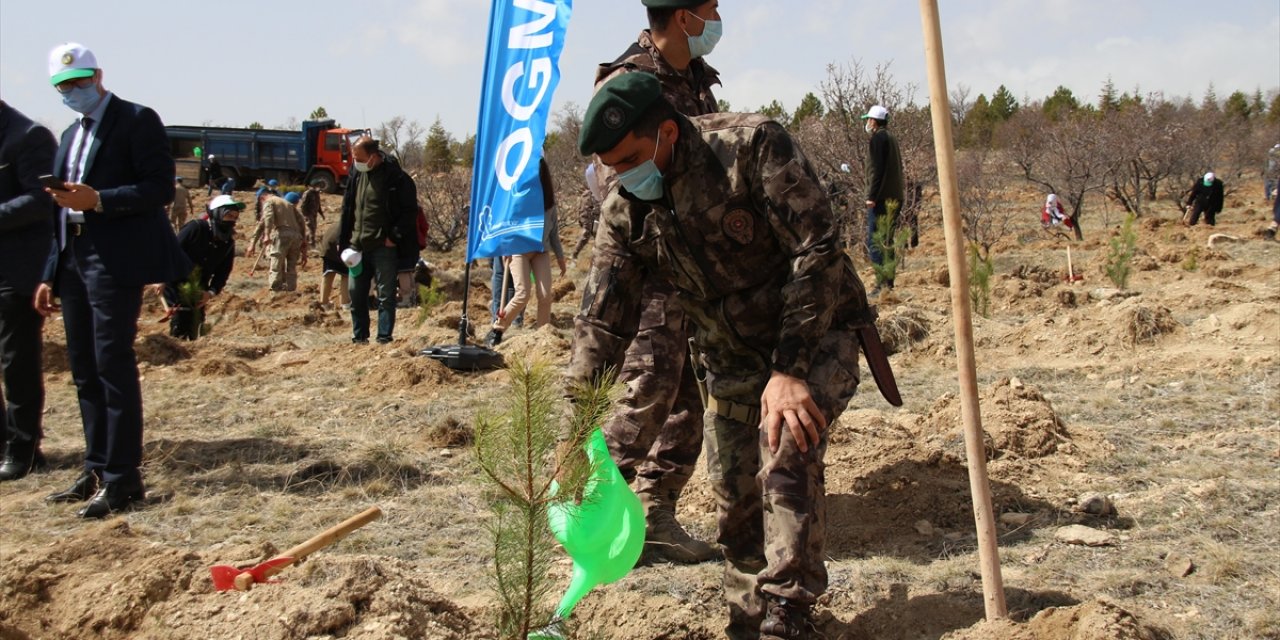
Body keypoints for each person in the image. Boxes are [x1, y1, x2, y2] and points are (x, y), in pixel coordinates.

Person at [573, 73, 882, 640]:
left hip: (815, 332)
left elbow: (818, 249)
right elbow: (603, 320)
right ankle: (749, 622)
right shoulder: (625, 209)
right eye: (610, 167)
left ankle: (789, 616)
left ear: (666, 132)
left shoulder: (751, 147)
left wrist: (789, 372)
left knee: (787, 445)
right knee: (736, 501)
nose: (621, 176)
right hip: (730, 358)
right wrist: (573, 435)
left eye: (631, 159)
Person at [578, 0, 725, 566]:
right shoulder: (628, 79)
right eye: (710, 6)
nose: (718, 16)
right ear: (684, 14)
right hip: (650, 260)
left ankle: (655, 516)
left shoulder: (695, 77)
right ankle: (590, 516)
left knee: (687, 395)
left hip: (696, 259)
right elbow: (609, 178)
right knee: (648, 389)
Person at [34, 43, 191, 518]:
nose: (72, 92)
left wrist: (99, 199)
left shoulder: (136, 120)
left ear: (98, 76)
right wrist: (50, 272)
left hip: (113, 259)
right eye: (63, 86)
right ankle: (95, 467)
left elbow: (158, 187)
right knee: (84, 369)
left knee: (112, 364)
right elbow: (60, 208)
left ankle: (124, 478)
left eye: (79, 82)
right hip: (75, 259)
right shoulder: (68, 134)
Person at [0, 100, 58, 482]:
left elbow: (43, 199)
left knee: (15, 359)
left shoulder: (28, 137)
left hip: (16, 269)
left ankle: (23, 447)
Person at [338, 136, 418, 344]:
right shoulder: (356, 174)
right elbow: (348, 208)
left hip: (384, 247)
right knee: (356, 293)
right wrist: (345, 240)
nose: (354, 161)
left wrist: (393, 237)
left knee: (386, 295)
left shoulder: (396, 178)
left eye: (358, 157)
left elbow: (410, 212)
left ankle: (383, 338)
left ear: (372, 157)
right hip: (357, 247)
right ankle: (360, 337)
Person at [484, 159, 566, 345]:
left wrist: (560, 258)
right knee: (522, 293)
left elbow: (554, 234)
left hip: (540, 252)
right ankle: (498, 328)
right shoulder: (517, 198)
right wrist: (506, 248)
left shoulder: (549, 204)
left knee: (545, 295)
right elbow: (508, 226)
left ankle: (543, 333)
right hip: (518, 251)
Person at [164, 195, 241, 339]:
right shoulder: (196, 228)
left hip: (200, 288)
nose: (232, 220)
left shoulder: (227, 242)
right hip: (176, 283)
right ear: (217, 213)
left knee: (195, 327)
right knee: (180, 324)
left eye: (235, 217)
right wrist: (160, 278)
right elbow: (171, 251)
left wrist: (211, 292)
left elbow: (223, 272)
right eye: (228, 215)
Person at [862, 104, 904, 294]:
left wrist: (872, 196)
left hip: (880, 199)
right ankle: (889, 283)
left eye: (868, 120)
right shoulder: (892, 138)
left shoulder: (878, 139)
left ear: (874, 121)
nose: (867, 123)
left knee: (876, 241)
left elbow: (878, 170)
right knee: (887, 240)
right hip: (895, 196)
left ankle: (881, 285)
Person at [255, 190, 306, 291]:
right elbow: (302, 221)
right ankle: (291, 290)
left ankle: (275, 291)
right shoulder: (288, 205)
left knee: (276, 265)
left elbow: (268, 218)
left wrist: (267, 235)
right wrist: (304, 241)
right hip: (296, 237)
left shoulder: (269, 201)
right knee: (291, 266)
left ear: (262, 198)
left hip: (282, 234)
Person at [572, 163, 603, 260]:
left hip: (589, 217)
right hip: (589, 218)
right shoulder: (591, 194)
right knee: (586, 235)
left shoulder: (587, 193)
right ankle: (575, 254)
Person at [318, 220, 351, 310]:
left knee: (328, 274)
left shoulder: (341, 221)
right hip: (338, 247)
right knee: (346, 275)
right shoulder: (352, 223)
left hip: (327, 247)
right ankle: (345, 303)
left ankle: (324, 303)